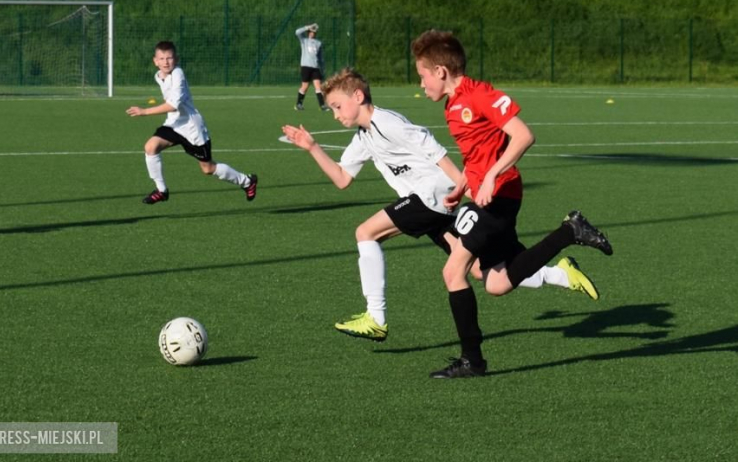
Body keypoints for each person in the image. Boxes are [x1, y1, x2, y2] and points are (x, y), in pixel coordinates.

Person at [281, 68, 600, 343]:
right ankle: (559, 273)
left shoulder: (388, 122)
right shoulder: (363, 137)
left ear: (359, 96)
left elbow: (431, 147)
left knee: (365, 232)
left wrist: (464, 184)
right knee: (482, 273)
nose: (335, 114)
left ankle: (376, 317)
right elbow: (341, 178)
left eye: (337, 106)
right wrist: (311, 147)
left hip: (433, 197)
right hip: (434, 205)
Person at [412, 30, 613, 379]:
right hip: (485, 194)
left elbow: (523, 135)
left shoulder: (478, 94)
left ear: (441, 71)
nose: (421, 82)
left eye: (423, 75)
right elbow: (477, 153)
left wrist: (490, 176)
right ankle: (570, 231)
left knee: (453, 271)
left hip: (499, 193)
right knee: (496, 284)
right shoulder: (453, 104)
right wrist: (463, 184)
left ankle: (472, 361)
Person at [126, 41, 257, 204]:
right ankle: (161, 191)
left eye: (170, 58)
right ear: (155, 61)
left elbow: (173, 106)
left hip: (192, 128)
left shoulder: (178, 74)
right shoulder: (158, 76)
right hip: (174, 124)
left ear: (177, 59)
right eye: (162, 58)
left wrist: (144, 111)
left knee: (208, 168)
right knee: (150, 147)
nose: (166, 62)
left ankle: (247, 181)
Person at [294, 23, 329, 111]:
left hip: (315, 68)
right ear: (308, 32)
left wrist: (323, 67)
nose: (312, 33)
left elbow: (320, 58)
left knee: (318, 86)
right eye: (311, 31)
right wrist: (307, 27)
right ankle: (298, 104)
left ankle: (322, 106)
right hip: (305, 66)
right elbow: (297, 32)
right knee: (305, 86)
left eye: (314, 32)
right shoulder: (304, 41)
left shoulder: (318, 43)